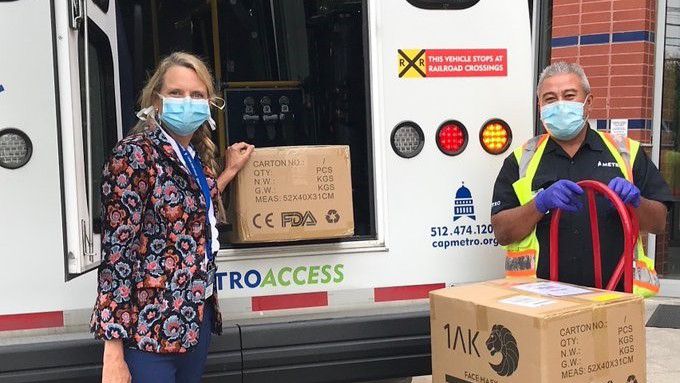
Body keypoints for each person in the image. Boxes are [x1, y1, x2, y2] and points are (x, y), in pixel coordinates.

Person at [90, 52, 254, 383]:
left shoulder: (193, 157)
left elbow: (191, 211)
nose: (187, 102)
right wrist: (113, 354)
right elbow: (117, 257)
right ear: (157, 100)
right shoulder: (135, 155)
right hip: (150, 332)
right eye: (177, 93)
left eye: (197, 95)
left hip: (195, 320)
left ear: (209, 103)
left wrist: (229, 171)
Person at [490, 61, 671, 297]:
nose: (560, 105)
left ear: (589, 103)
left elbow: (658, 223)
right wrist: (538, 205)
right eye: (550, 99)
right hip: (541, 301)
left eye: (569, 95)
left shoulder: (626, 153)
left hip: (615, 297)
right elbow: (502, 232)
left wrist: (636, 203)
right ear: (540, 106)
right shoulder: (522, 159)